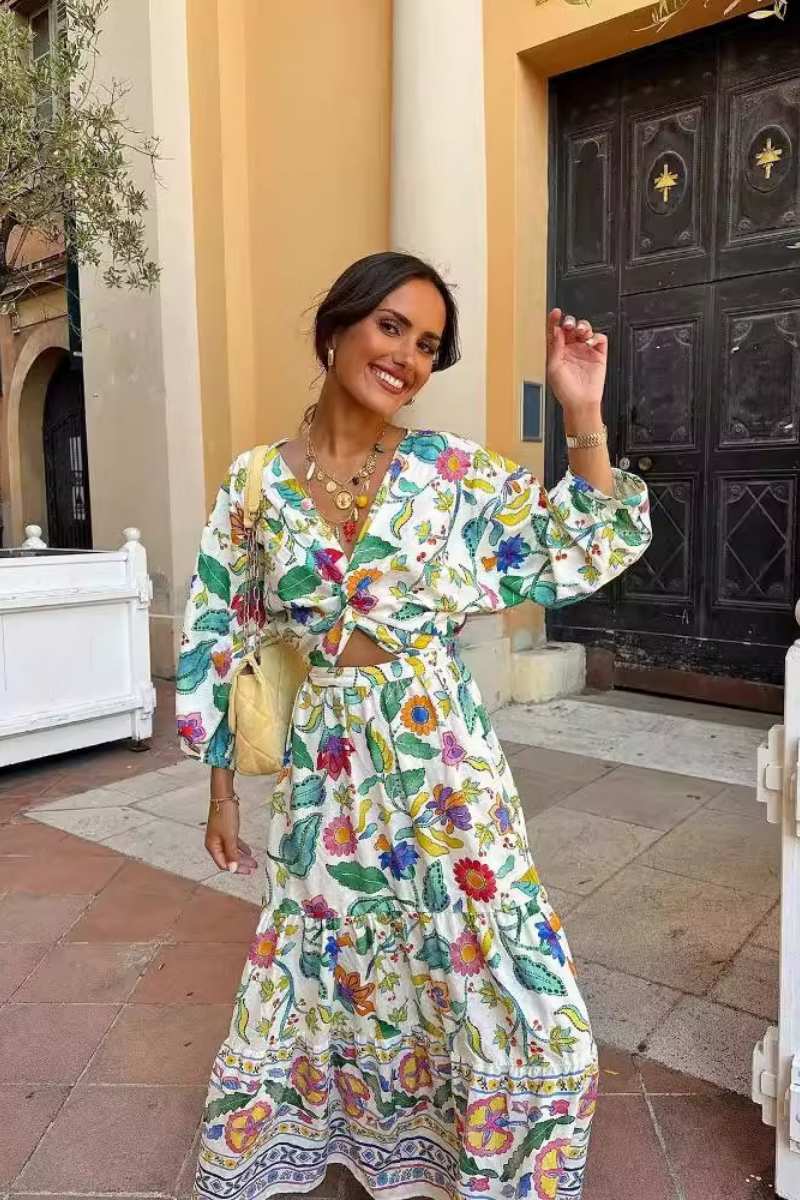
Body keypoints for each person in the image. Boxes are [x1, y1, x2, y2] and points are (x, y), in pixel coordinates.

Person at [176, 251, 651, 1200]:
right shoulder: (254, 483)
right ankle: (360, 1135)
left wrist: (582, 414)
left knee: (492, 944)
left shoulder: (448, 472)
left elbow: (581, 540)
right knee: (333, 943)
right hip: (325, 762)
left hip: (441, 752)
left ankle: (501, 1152)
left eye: (428, 345)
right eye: (391, 326)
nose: (406, 357)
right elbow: (221, 636)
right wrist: (221, 791)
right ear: (337, 327)